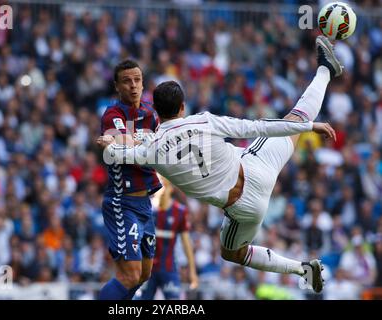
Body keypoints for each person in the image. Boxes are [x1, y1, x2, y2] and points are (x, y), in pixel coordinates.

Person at [98, 36, 343, 293]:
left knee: (234, 253)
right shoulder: (205, 120)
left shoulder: (154, 149)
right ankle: (325, 70)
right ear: (183, 107)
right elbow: (257, 126)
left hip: (246, 208)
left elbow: (123, 155)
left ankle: (301, 269)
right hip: (257, 166)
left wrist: (110, 145)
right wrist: (308, 127)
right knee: (296, 116)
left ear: (156, 112)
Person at [98, 60, 162, 300]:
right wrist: (143, 141)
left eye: (137, 79)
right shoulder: (113, 114)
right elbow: (119, 141)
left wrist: (133, 141)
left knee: (144, 274)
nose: (133, 85)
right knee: (129, 276)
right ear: (117, 86)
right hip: (121, 202)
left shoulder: (150, 113)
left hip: (144, 203)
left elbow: (136, 142)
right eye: (126, 81)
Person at [135, 176, 198, 300]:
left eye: (166, 185)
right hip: (146, 269)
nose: (162, 189)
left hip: (168, 269)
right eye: (159, 186)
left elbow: (187, 245)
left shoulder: (180, 212)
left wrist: (192, 271)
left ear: (171, 188)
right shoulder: (144, 208)